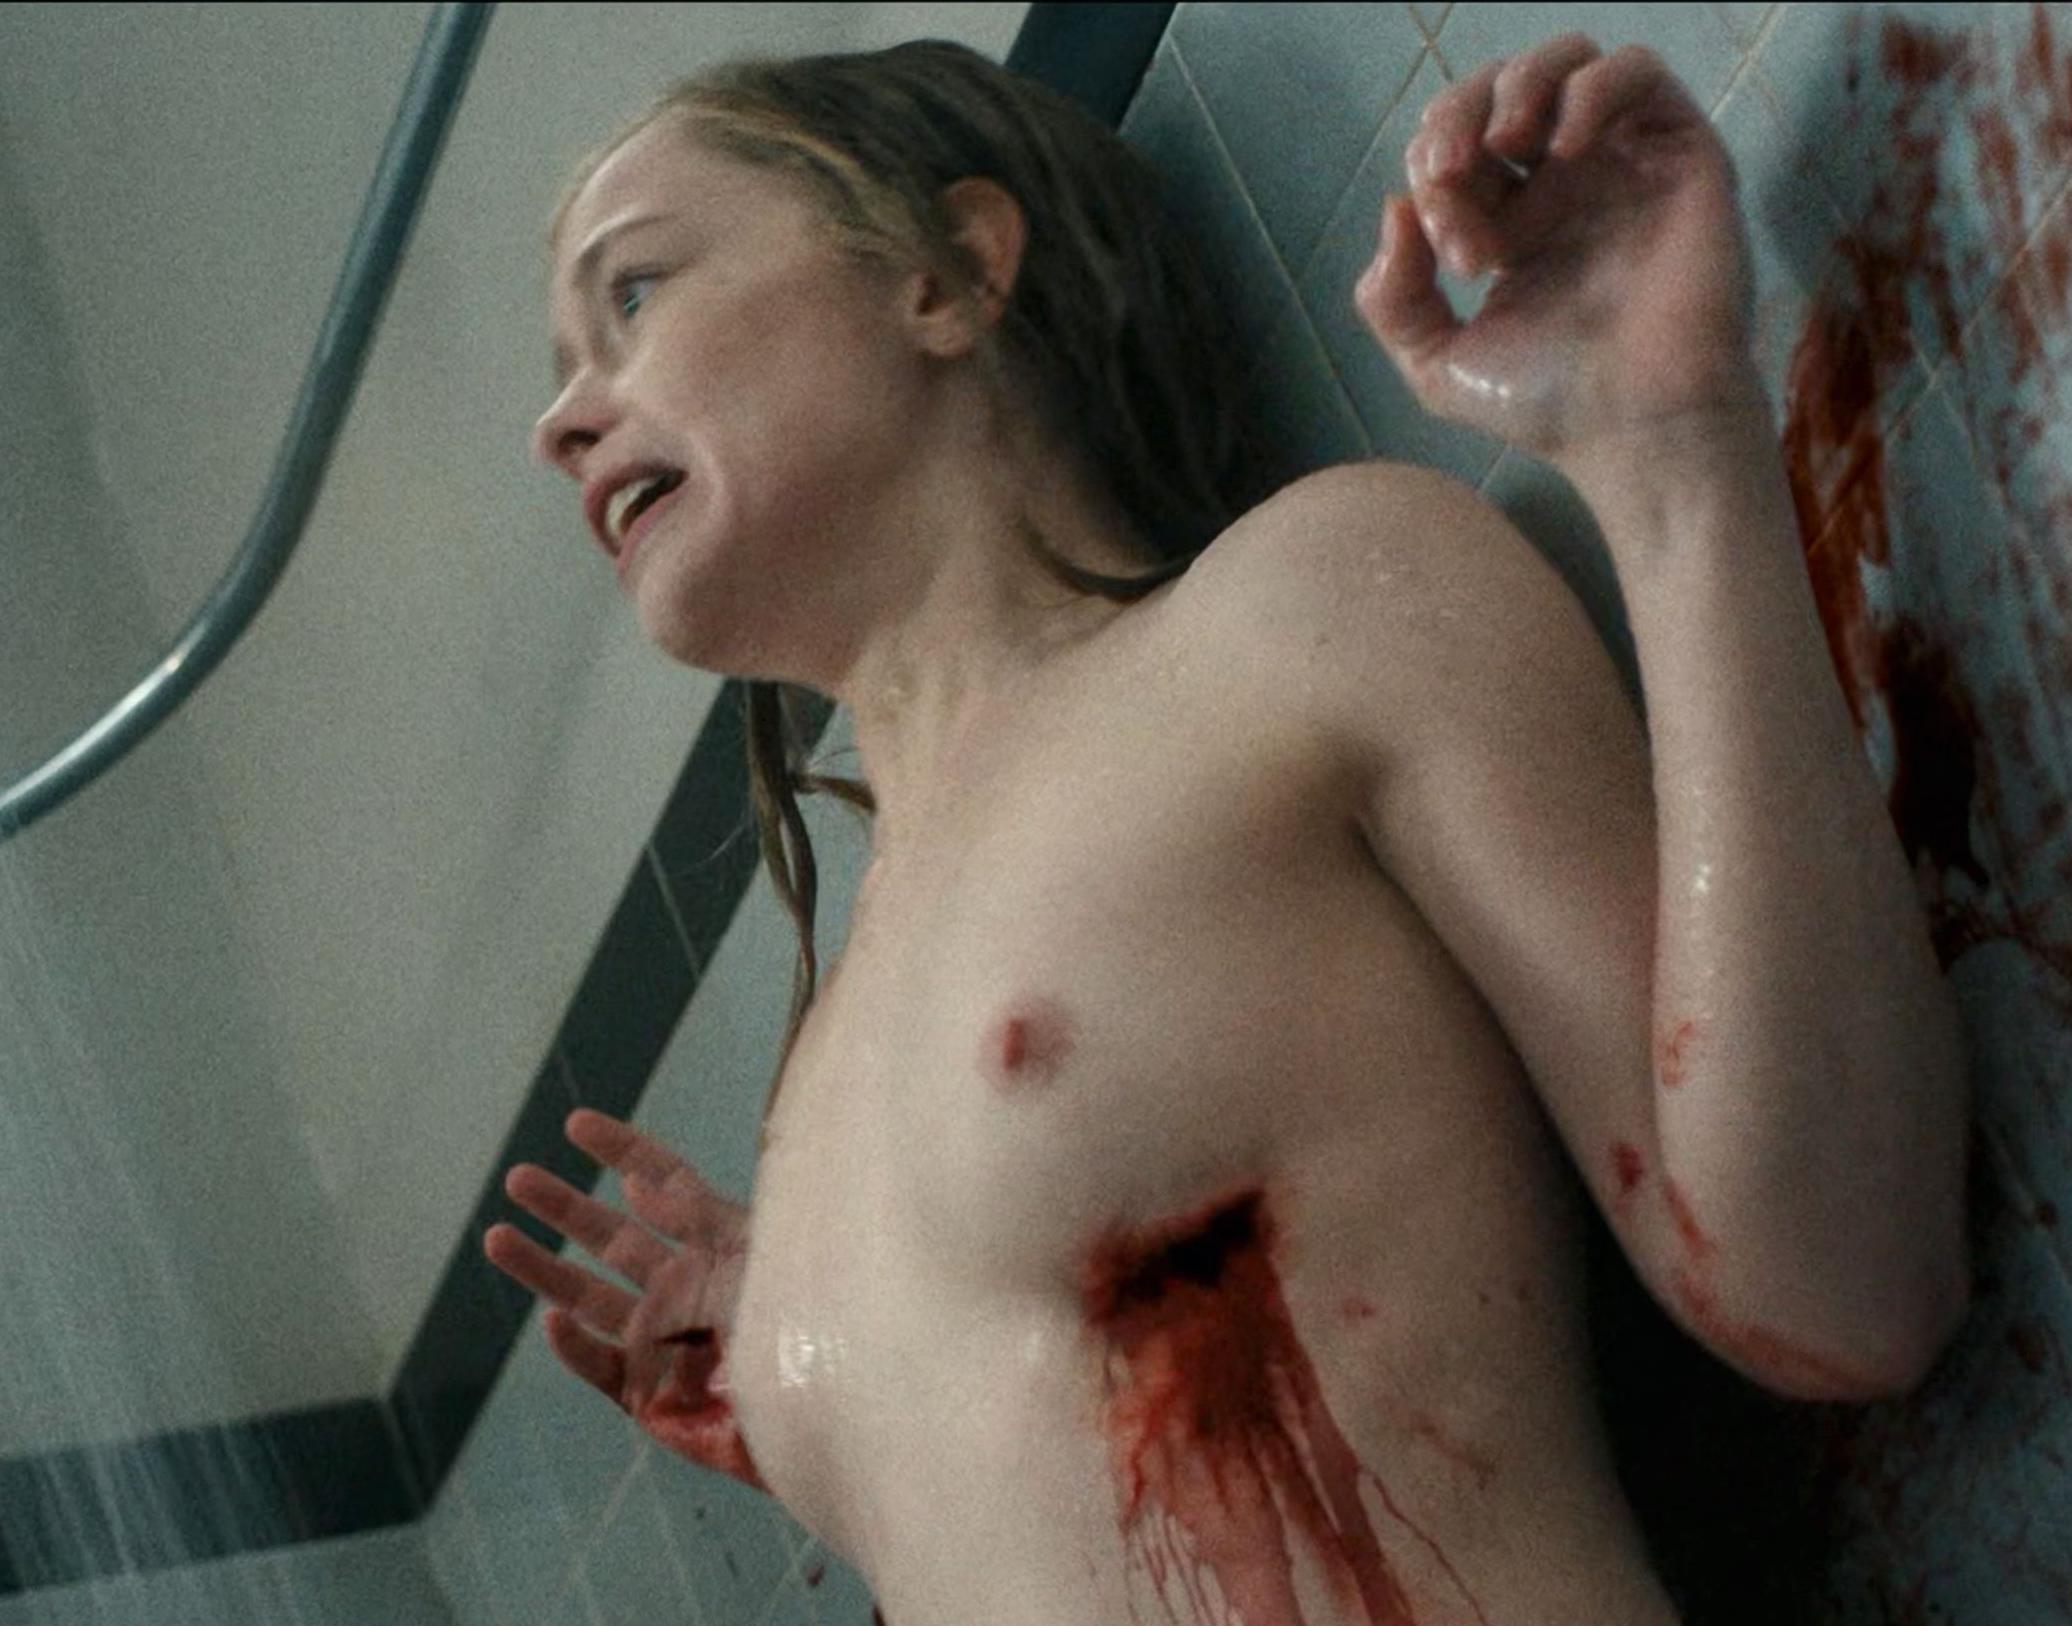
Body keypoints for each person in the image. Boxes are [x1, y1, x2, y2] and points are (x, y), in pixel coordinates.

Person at [479, 29, 1968, 1626]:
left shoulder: (1303, 613)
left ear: (944, 274)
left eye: (634, 293)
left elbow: (1843, 1285)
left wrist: (1669, 447)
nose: (559, 423)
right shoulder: (822, 1081)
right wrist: (838, 1367)